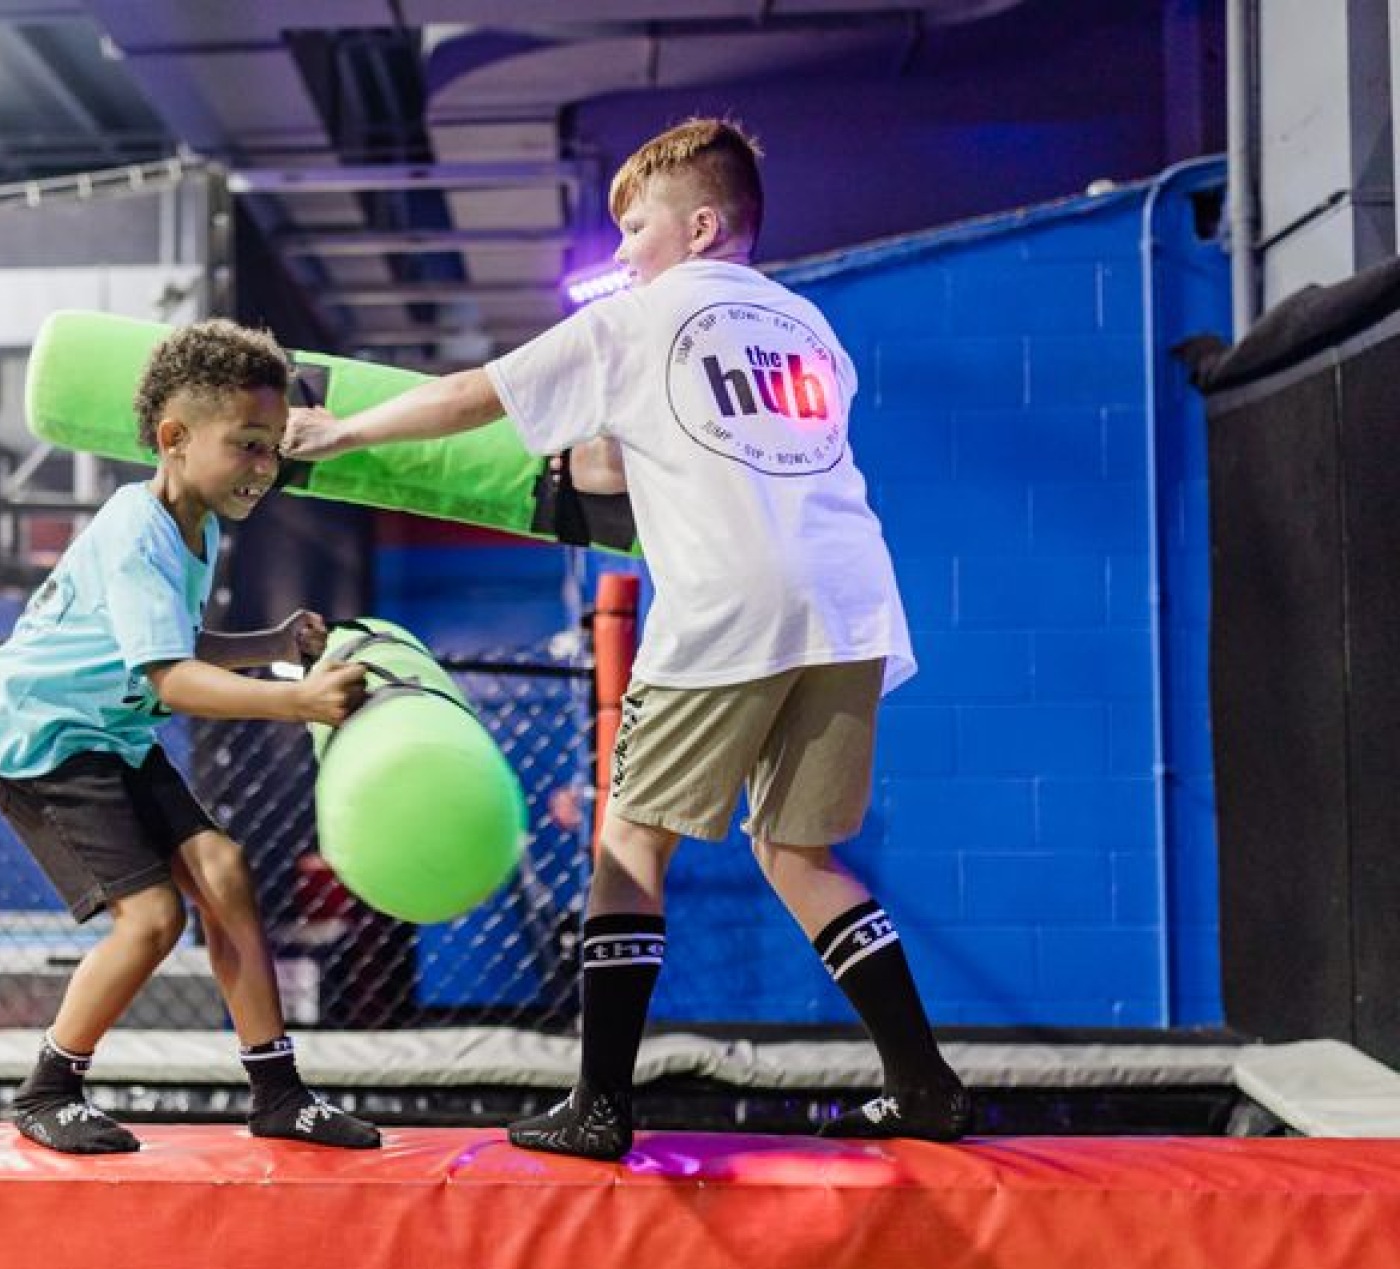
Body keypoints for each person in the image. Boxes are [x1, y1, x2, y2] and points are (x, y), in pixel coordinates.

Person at [284, 117, 970, 1159]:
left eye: (634, 228)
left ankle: (601, 1103)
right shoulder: (807, 331)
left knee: (629, 840)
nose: (619, 256)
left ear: (697, 226)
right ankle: (924, 1081)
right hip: (851, 604)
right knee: (798, 850)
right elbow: (693, 453)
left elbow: (476, 397)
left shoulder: (639, 319)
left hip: (729, 607)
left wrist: (339, 431)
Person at [0, 318, 380, 1156]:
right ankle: (48, 1088)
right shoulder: (135, 531)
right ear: (174, 439)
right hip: (43, 741)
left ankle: (278, 1091)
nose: (266, 468)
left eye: (273, 449)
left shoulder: (199, 524)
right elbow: (171, 681)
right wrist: (298, 703)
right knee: (151, 919)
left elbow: (171, 646)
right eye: (250, 445)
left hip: (108, 733)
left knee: (223, 868)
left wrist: (270, 644)